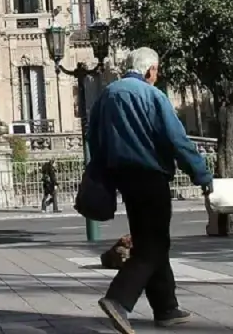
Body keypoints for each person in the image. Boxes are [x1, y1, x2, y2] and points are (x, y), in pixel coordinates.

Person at [90, 47, 213, 334]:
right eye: (156, 71)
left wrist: (103, 173)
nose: (156, 76)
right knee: (152, 247)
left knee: (154, 241)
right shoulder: (152, 95)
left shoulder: (107, 95)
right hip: (151, 176)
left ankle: (166, 307)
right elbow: (177, 140)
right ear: (149, 70)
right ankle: (118, 299)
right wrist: (201, 174)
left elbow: (93, 137)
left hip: (124, 179)